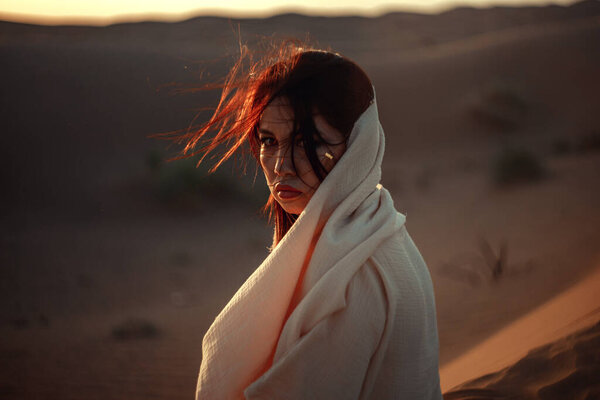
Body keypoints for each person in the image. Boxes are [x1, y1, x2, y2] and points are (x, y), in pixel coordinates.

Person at [177, 42, 442, 399]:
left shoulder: (354, 275)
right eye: (268, 140)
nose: (280, 165)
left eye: (307, 142)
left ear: (358, 146)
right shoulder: (379, 225)